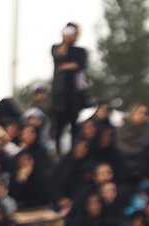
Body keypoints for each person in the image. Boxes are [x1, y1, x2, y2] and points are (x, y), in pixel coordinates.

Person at [51, 22, 90, 154]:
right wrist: (65, 41)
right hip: (60, 96)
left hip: (75, 97)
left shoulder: (80, 51)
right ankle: (58, 152)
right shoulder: (56, 47)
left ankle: (75, 152)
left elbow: (79, 65)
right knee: (59, 127)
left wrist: (67, 65)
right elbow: (59, 55)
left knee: (75, 128)